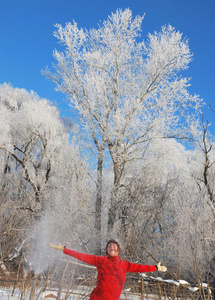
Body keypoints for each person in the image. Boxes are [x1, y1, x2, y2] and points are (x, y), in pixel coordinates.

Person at [48, 238, 167, 300]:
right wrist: (64, 249)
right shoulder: (101, 261)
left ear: (118, 250)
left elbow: (141, 268)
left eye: (114, 245)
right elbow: (82, 256)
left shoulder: (124, 264)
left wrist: (156, 267)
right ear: (107, 250)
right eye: (109, 245)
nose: (111, 246)